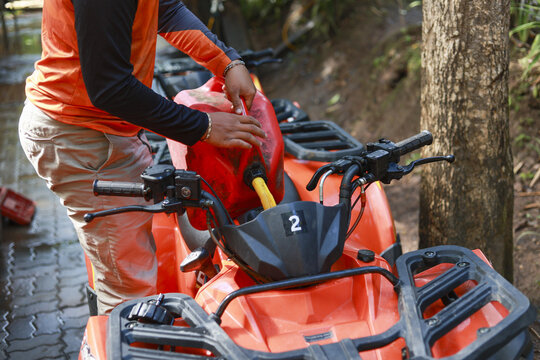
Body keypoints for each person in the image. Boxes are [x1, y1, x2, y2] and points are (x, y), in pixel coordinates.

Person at [18, 0, 265, 314]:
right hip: (82, 135)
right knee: (128, 292)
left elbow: (166, 8)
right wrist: (202, 126)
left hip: (105, 127)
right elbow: (109, 88)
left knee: (123, 270)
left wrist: (228, 62)